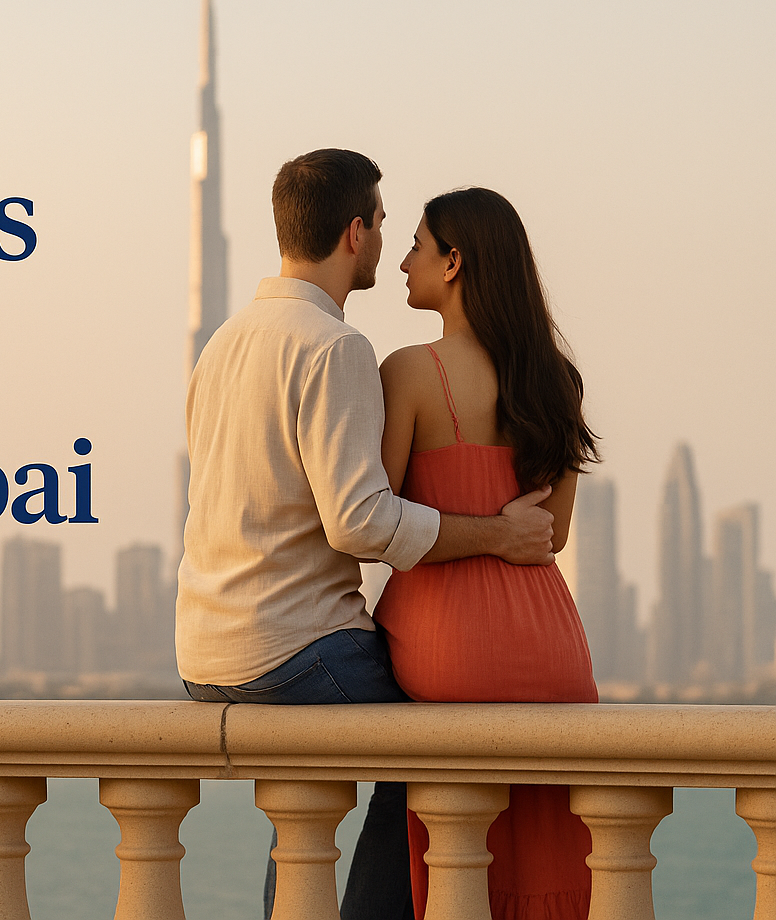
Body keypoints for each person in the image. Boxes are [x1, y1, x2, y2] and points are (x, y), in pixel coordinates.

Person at [176, 149, 558, 920]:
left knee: (301, 814)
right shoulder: (333, 346)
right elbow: (360, 522)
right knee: (430, 739)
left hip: (204, 653)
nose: (388, 240)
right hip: (297, 650)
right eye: (384, 223)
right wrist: (496, 534)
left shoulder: (222, 343)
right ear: (356, 232)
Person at [373, 187, 600, 919]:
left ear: (455, 262)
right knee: (544, 855)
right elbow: (550, 536)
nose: (404, 262)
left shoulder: (409, 371)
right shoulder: (557, 381)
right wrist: (501, 526)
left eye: (417, 246)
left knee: (445, 860)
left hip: (449, 647)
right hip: (551, 649)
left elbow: (381, 524)